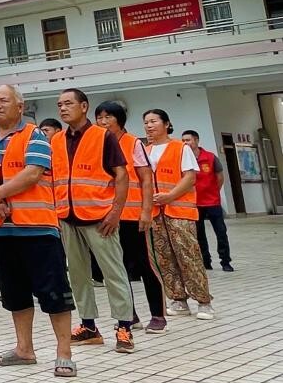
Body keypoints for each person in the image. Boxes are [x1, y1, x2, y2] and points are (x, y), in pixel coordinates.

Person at [0, 84, 77, 378]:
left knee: (54, 292)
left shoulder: (35, 135)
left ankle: (64, 353)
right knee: (14, 292)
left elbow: (33, 173)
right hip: (1, 229)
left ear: (20, 107)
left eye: (3, 100)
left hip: (37, 228)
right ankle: (24, 349)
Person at [52, 88, 136, 353]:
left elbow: (122, 175)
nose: (63, 108)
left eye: (68, 103)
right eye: (59, 105)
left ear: (84, 106)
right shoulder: (56, 140)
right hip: (67, 217)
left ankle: (124, 326)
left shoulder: (103, 136)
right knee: (77, 275)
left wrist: (115, 212)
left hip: (100, 218)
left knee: (113, 273)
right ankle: (88, 326)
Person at [95, 101, 165, 333]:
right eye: (99, 117)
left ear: (120, 119)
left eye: (108, 117)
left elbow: (146, 178)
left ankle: (158, 315)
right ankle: (129, 315)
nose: (103, 122)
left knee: (146, 265)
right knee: (118, 268)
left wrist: (146, 211)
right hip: (108, 217)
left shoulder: (132, 143)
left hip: (133, 216)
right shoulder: (97, 143)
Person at [143, 110, 214, 319]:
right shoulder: (145, 150)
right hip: (155, 213)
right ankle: (178, 299)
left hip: (179, 211)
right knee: (164, 258)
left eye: (153, 121)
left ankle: (204, 301)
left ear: (166, 124)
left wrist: (170, 196)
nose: (149, 126)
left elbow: (189, 177)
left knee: (188, 255)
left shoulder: (180, 148)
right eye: (146, 122)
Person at [186, 130, 233, 272]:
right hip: (194, 203)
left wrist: (213, 192)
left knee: (221, 232)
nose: (185, 143)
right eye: (183, 141)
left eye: (188, 140)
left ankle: (225, 261)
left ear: (196, 140)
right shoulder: (184, 159)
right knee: (199, 234)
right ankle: (206, 261)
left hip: (212, 202)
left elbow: (220, 177)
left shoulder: (210, 157)